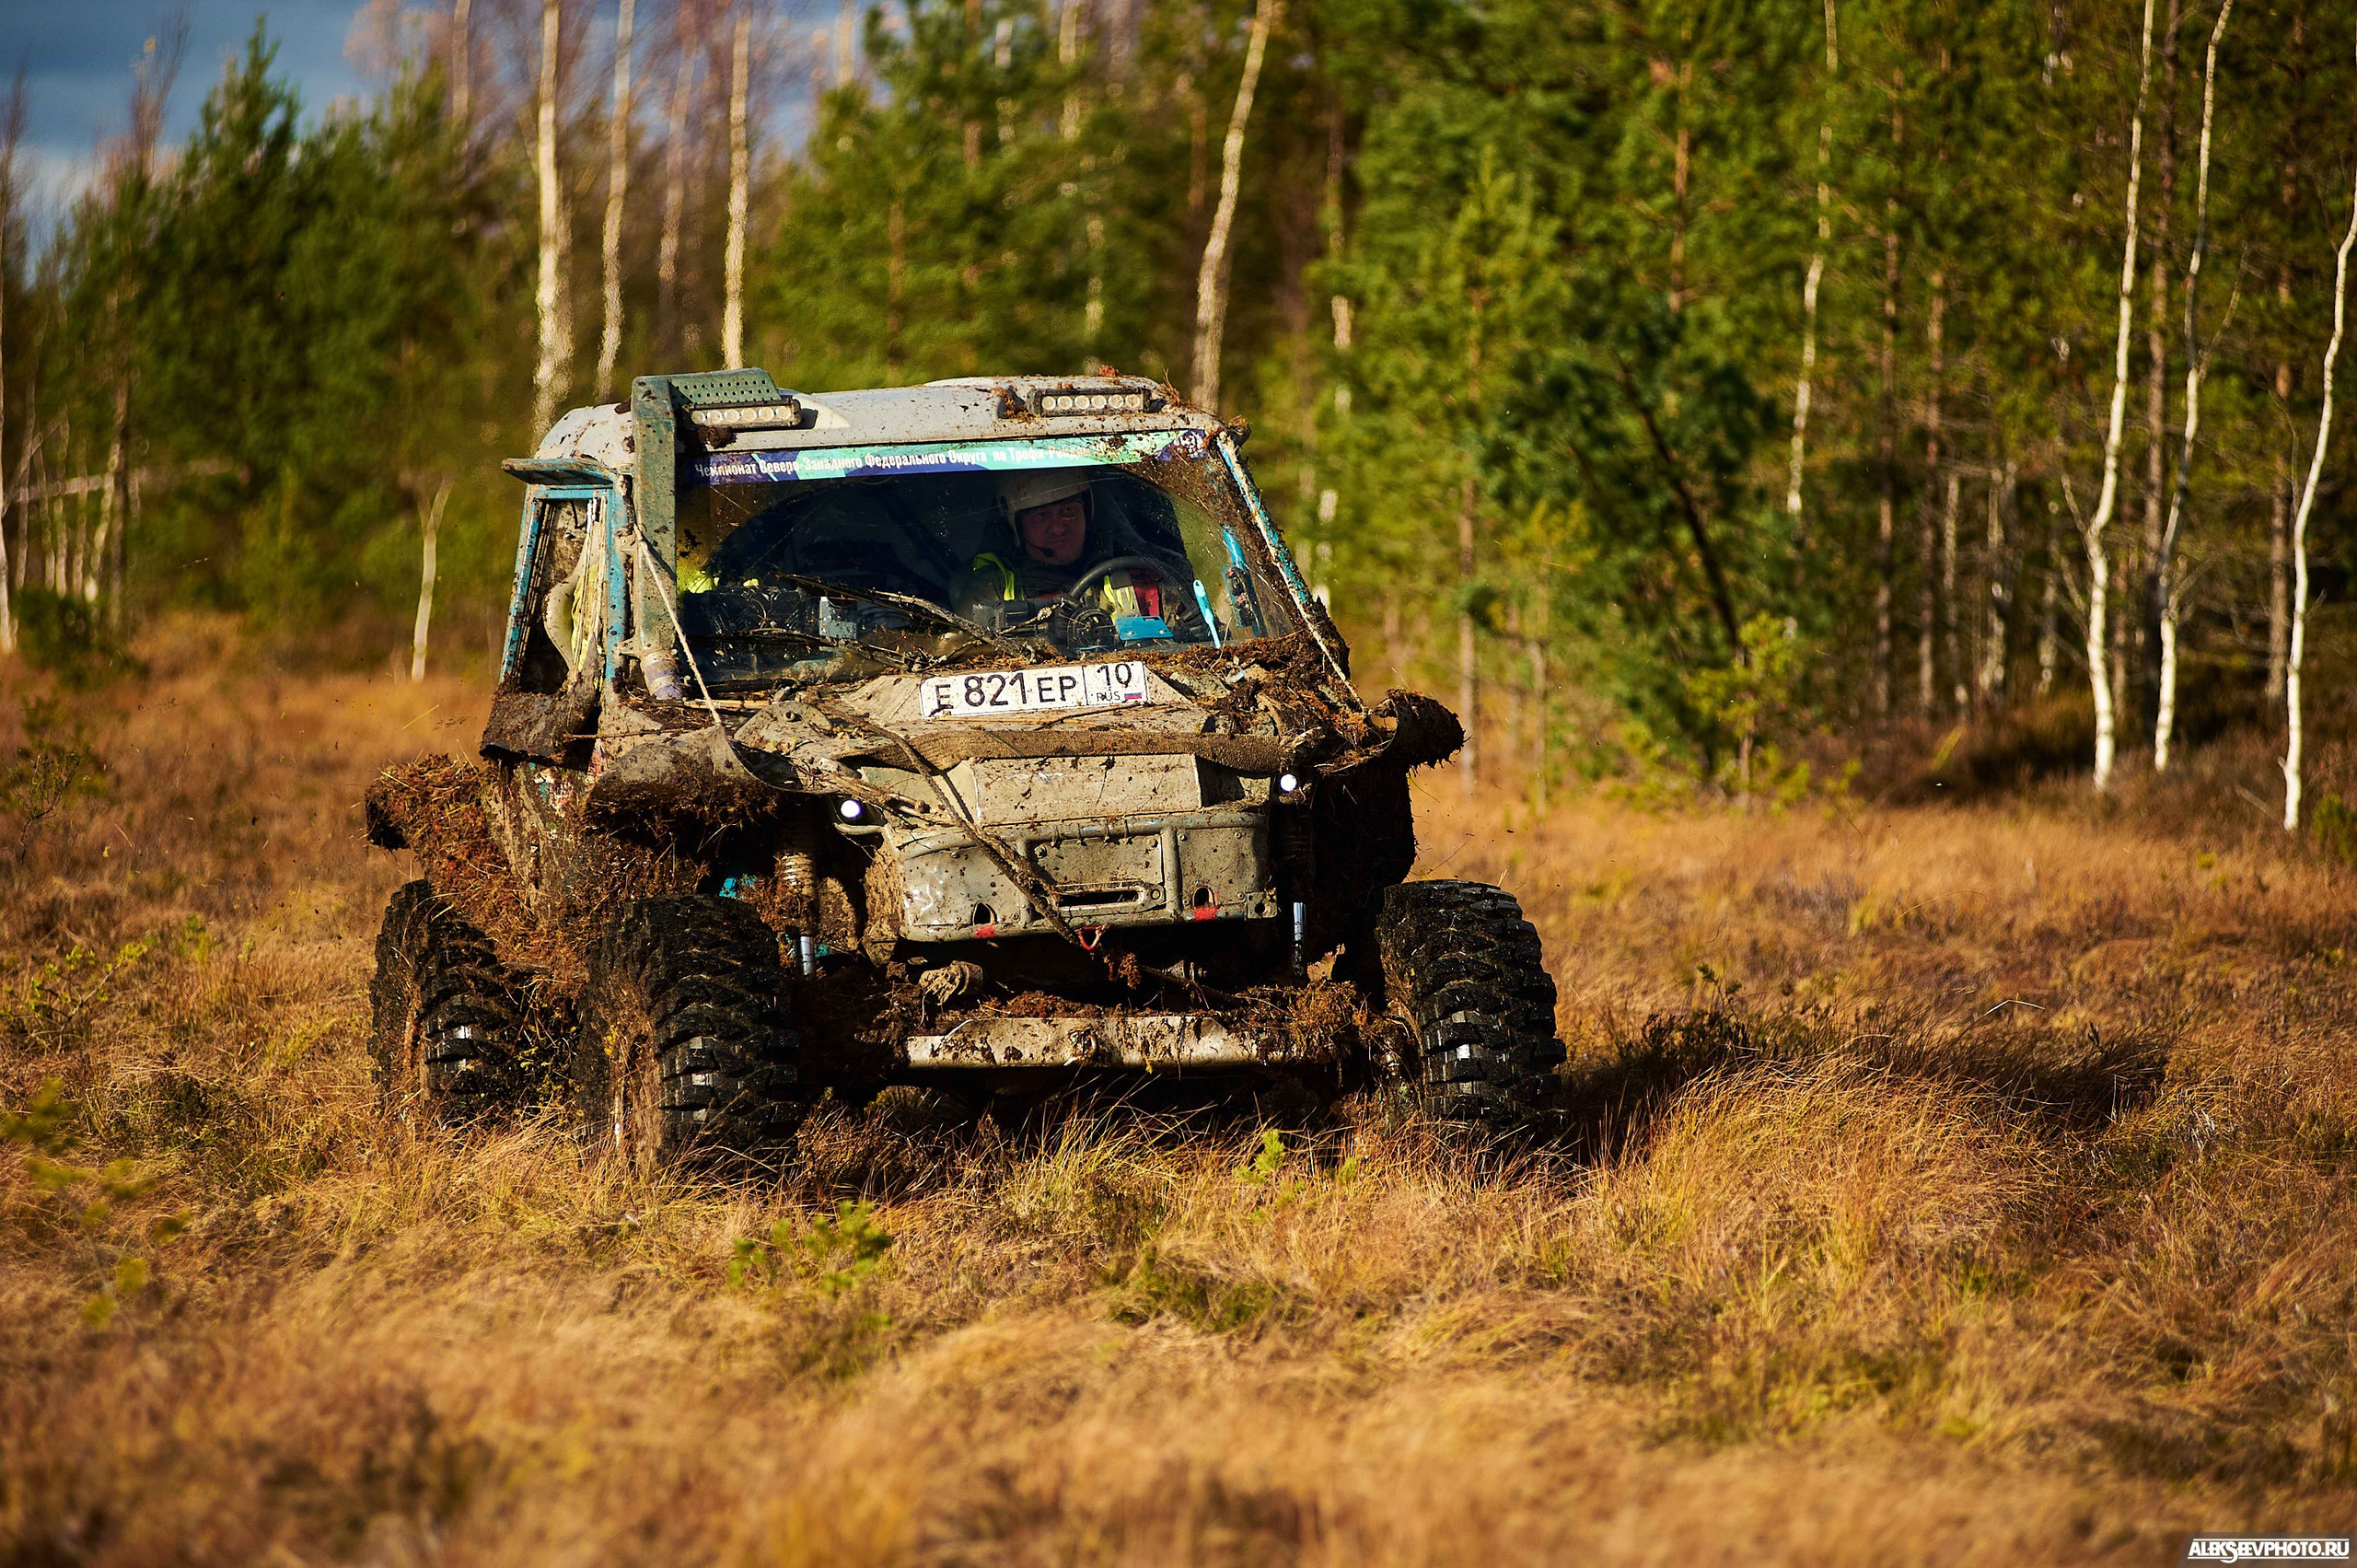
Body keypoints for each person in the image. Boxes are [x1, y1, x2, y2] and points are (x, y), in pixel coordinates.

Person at [958, 470, 1178, 628]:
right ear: (1016, 525)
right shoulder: (990, 590)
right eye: (1041, 516)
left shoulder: (1143, 573)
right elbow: (970, 659)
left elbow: (1185, 638)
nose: (1058, 528)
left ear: (1087, 511)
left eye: (1068, 510)